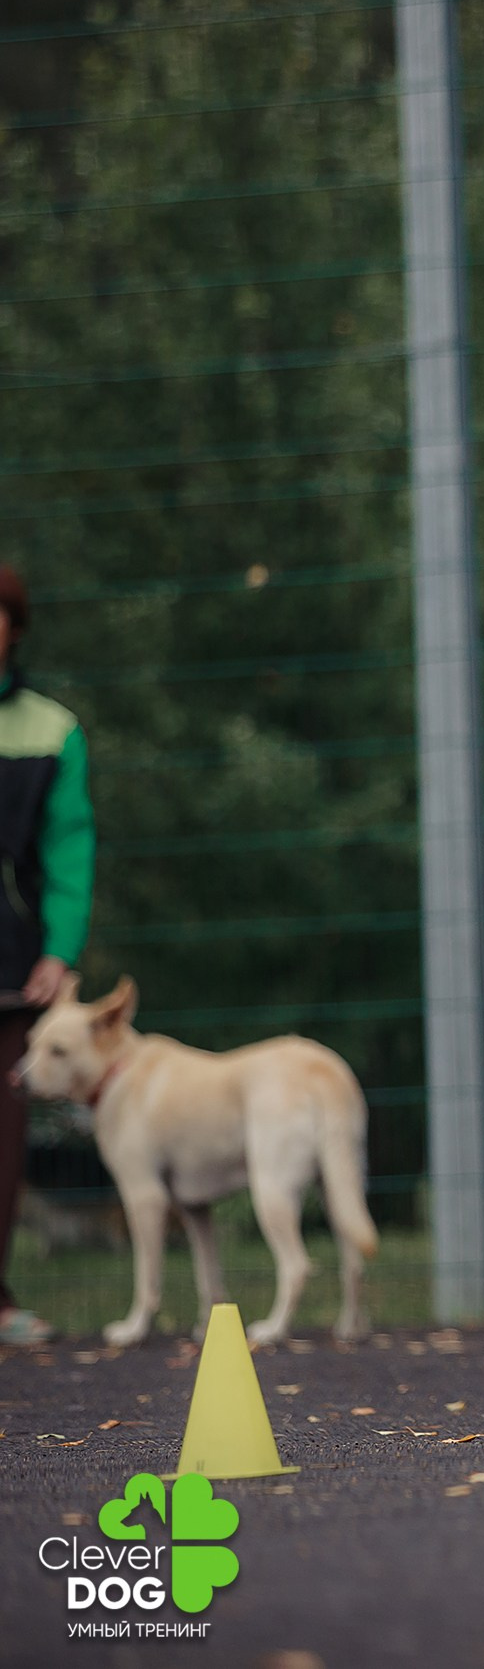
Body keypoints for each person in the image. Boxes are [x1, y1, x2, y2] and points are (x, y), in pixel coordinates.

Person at [0, 566, 95, 1346]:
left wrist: (59, 949)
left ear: (14, 628)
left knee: (5, 1137)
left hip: (13, 965)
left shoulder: (50, 729)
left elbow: (68, 850)